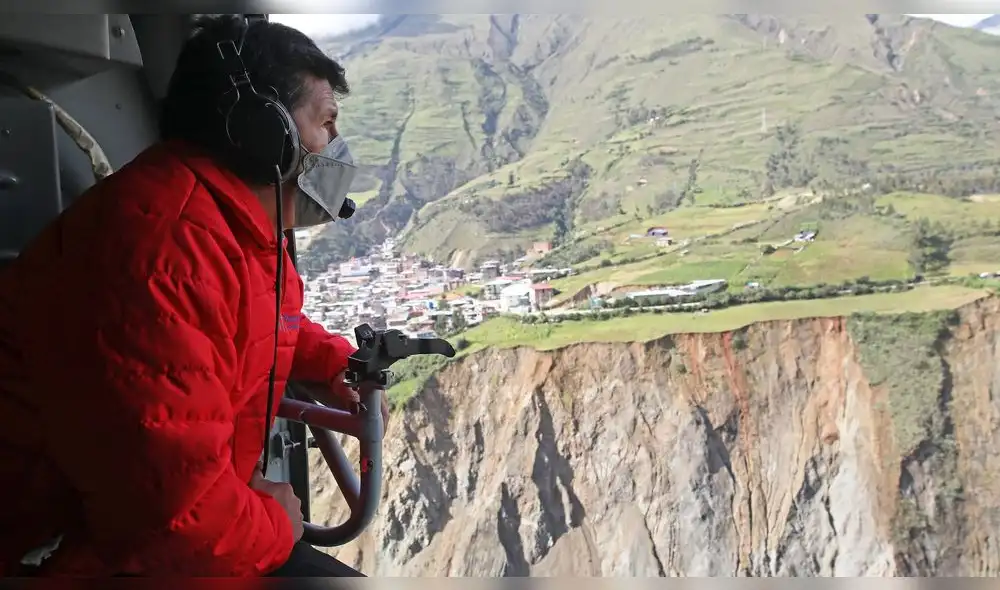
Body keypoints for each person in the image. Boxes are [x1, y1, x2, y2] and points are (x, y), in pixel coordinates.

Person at [0, 15, 387, 577]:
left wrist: (332, 362)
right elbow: (178, 525)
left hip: (114, 531)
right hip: (65, 547)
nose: (335, 146)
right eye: (326, 123)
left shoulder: (223, 225)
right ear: (265, 130)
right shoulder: (165, 248)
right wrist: (279, 517)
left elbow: (240, 323)